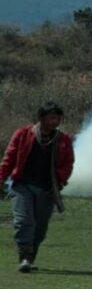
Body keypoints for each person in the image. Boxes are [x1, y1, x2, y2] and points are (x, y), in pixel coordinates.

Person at [1, 102, 75, 273]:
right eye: (52, 117)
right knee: (24, 220)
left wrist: (60, 180)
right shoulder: (23, 134)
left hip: (47, 189)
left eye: (58, 118)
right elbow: (9, 157)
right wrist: (1, 177)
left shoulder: (63, 139)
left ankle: (31, 255)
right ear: (42, 118)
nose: (55, 121)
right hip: (22, 185)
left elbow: (67, 164)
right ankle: (24, 257)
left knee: (40, 226)